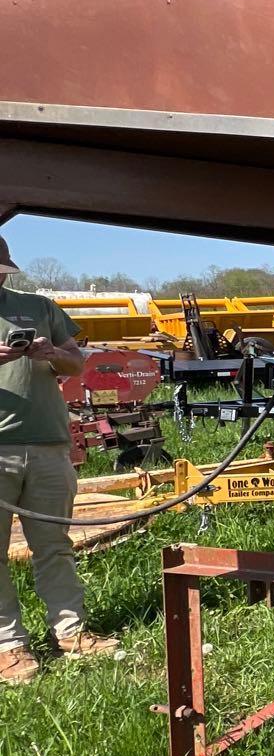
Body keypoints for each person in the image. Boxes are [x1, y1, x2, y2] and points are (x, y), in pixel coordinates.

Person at [0, 239, 116, 684]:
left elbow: (77, 363)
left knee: (54, 546)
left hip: (48, 446)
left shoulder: (37, 307)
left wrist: (53, 353)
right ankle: (9, 646)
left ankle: (70, 633)